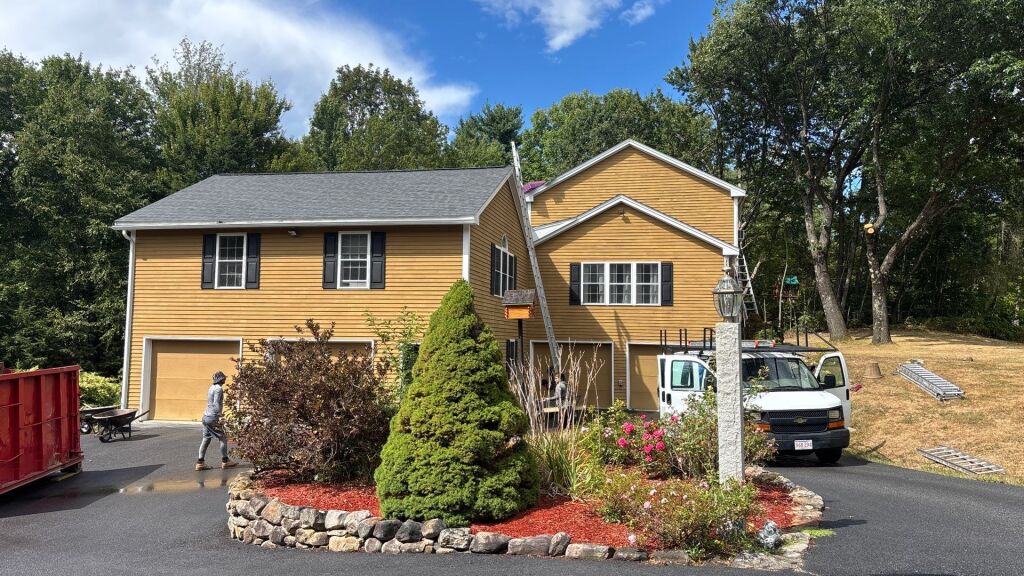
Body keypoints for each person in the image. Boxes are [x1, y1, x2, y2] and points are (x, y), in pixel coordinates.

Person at [196, 371, 237, 471]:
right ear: (220, 379)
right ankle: (225, 461)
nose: (225, 379)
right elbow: (216, 403)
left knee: (206, 439)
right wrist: (219, 416)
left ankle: (200, 463)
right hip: (213, 417)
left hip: (206, 416)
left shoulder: (211, 387)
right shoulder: (218, 389)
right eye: (223, 378)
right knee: (223, 438)